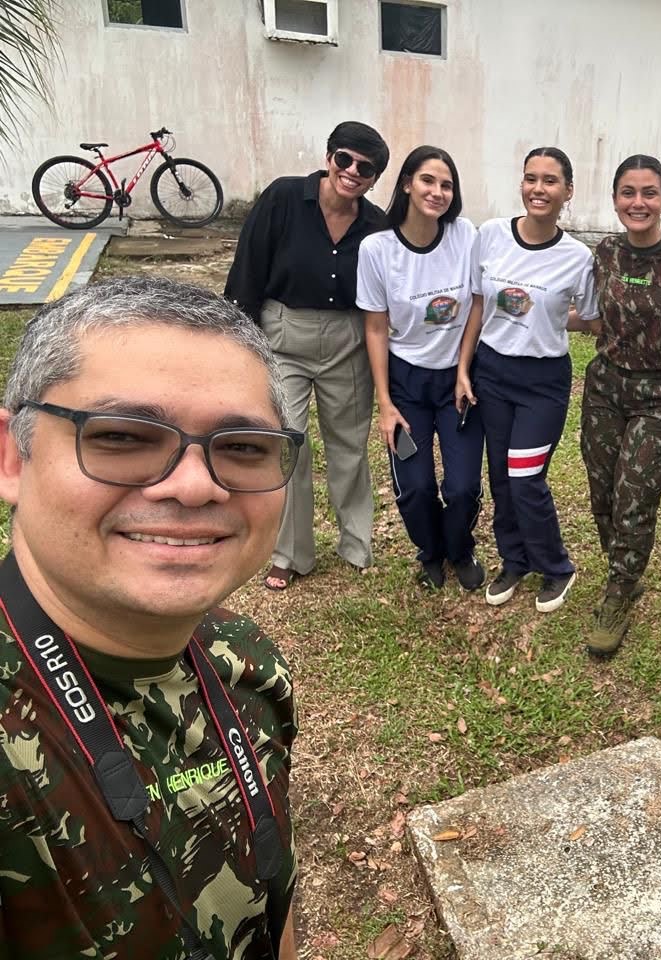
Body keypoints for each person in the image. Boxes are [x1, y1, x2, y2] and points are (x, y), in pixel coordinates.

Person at [0, 276, 300, 957]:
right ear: (13, 457)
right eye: (123, 437)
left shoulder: (246, 659)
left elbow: (268, 889)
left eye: (244, 447)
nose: (196, 485)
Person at [225, 120, 390, 590]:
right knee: (287, 444)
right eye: (345, 159)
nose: (352, 171)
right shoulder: (283, 198)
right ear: (328, 156)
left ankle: (356, 543)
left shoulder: (376, 226)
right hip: (285, 337)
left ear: (375, 177)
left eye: (366, 167)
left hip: (348, 341)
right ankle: (290, 553)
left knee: (349, 450)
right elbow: (249, 266)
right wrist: (241, 340)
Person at [455, 147, 599, 613]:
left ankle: (557, 566)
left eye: (551, 181)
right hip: (492, 371)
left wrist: (554, 318)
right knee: (500, 476)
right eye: (531, 178)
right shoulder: (492, 235)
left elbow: (590, 318)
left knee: (526, 477)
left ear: (567, 192)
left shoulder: (579, 257)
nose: (539, 188)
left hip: (543, 381)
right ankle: (514, 560)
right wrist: (463, 368)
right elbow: (478, 304)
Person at [578, 155, 661, 658]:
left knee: (635, 493)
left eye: (649, 192)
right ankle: (624, 570)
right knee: (602, 492)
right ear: (615, 200)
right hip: (606, 386)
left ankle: (617, 593)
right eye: (628, 192)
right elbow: (591, 314)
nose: (639, 202)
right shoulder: (604, 253)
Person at [357, 145, 485, 591]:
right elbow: (375, 329)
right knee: (414, 487)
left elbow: (478, 305)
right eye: (428, 181)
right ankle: (430, 551)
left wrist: (465, 368)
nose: (437, 192)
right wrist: (385, 403)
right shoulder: (377, 249)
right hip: (407, 383)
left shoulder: (465, 235)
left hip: (457, 384)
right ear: (407, 183)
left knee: (464, 485)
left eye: (447, 184)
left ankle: (459, 548)